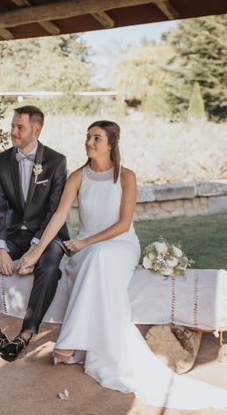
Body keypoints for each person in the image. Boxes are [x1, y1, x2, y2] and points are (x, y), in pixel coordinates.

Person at [25, 120, 227, 409]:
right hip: (87, 248)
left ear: (110, 144)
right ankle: (77, 342)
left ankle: (70, 342)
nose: (89, 142)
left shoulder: (127, 177)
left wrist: (85, 242)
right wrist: (36, 252)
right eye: (88, 137)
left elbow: (122, 225)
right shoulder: (78, 177)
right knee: (94, 259)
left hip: (120, 245)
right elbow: (57, 217)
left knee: (98, 256)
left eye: (96, 138)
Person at [0, 105, 69, 362]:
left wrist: (34, 251)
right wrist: (0, 248)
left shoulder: (56, 162)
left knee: (50, 266)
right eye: (12, 126)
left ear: (37, 129)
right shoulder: (1, 161)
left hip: (46, 235)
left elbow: (54, 212)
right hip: (11, 235)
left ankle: (27, 333)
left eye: (19, 127)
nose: (13, 132)